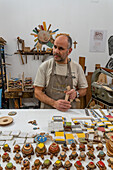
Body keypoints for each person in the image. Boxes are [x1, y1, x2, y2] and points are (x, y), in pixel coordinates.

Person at [34, 34, 88, 111]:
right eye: (55, 47)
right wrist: (54, 103)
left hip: (69, 112)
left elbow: (84, 90)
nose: (56, 51)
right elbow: (37, 92)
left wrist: (76, 93)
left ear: (69, 51)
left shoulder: (76, 67)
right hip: (47, 112)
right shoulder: (45, 66)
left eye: (61, 49)